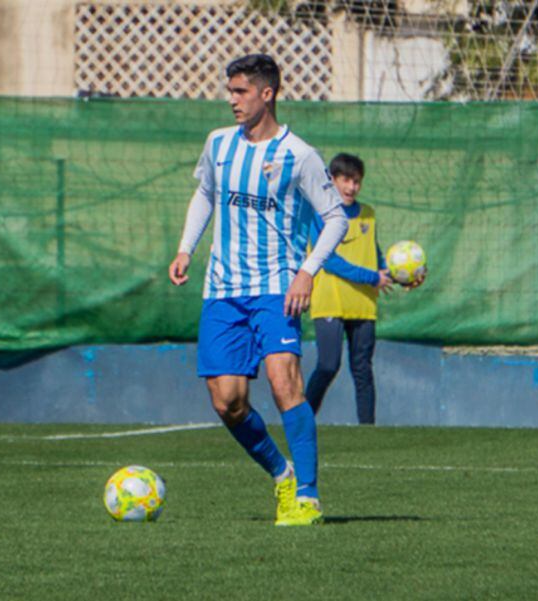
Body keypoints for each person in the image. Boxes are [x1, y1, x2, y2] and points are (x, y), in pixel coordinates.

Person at [167, 54, 348, 526]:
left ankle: (307, 497)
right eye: (230, 91)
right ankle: (282, 473)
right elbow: (206, 193)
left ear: (267, 94)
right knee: (226, 401)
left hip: (276, 286)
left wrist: (307, 271)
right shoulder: (219, 143)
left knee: (284, 381)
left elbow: (335, 218)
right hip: (223, 288)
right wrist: (186, 248)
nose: (232, 100)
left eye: (241, 91)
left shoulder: (299, 155)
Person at [305, 154, 425, 424]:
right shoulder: (319, 214)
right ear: (332, 180)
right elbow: (329, 261)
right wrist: (372, 277)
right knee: (328, 365)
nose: (352, 187)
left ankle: (368, 431)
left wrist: (402, 276)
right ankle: (301, 420)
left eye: (357, 181)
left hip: (362, 303)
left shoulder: (368, 214)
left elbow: (375, 254)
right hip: (330, 300)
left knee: (362, 370)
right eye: (346, 180)